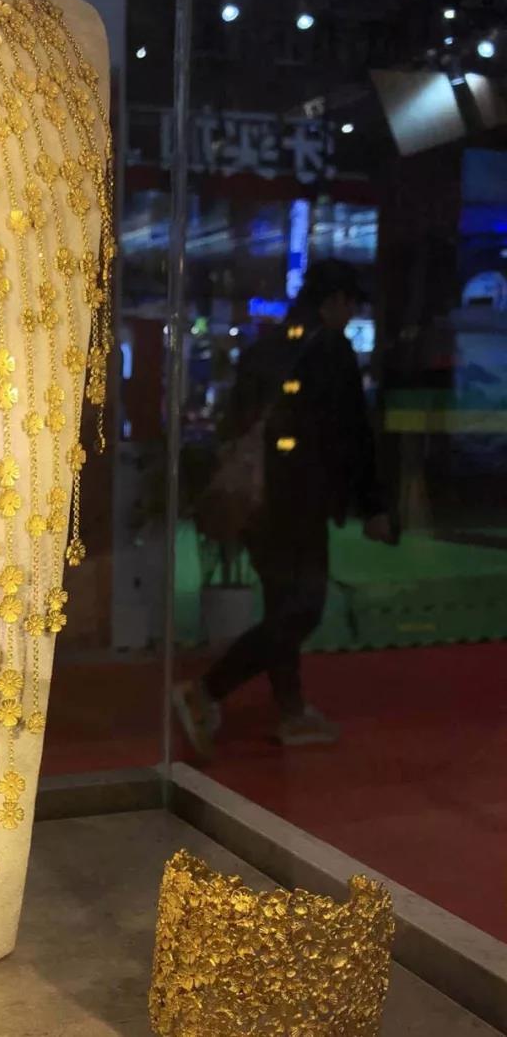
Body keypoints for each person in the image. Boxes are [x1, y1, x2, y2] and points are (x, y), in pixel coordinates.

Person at [174, 260, 393, 757]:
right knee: (304, 609)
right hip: (300, 501)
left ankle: (291, 712)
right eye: (351, 304)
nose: (351, 315)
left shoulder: (265, 346)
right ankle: (204, 692)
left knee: (282, 606)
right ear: (335, 301)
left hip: (256, 503)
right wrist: (373, 506)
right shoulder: (331, 349)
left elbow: (233, 423)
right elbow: (353, 436)